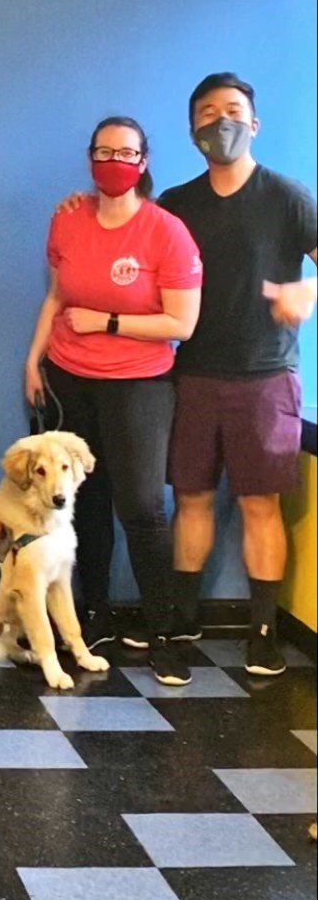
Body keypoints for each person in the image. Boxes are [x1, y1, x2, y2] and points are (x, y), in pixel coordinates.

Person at [25, 116, 203, 686]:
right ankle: (94, 616)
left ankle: (166, 632)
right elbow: (56, 295)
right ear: (89, 159)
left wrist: (108, 320)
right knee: (87, 504)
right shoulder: (67, 219)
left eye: (126, 153)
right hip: (68, 377)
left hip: (139, 384)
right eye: (104, 151)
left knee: (142, 507)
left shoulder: (166, 231)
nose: (114, 161)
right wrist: (33, 360)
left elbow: (184, 322)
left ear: (144, 161)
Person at [158, 73, 317, 677]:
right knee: (191, 500)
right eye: (207, 112)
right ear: (193, 127)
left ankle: (264, 632)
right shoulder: (175, 204)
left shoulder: (287, 196)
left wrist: (307, 289)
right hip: (192, 374)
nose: (220, 122)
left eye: (232, 111)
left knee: (259, 504)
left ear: (254, 123)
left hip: (266, 377)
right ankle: (180, 623)